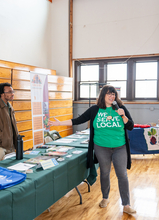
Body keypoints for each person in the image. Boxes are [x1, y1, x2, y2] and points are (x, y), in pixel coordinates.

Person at [49, 85, 136, 215]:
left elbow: (131, 126)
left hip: (120, 147)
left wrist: (124, 117)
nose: (112, 96)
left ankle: (126, 204)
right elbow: (78, 120)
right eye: (109, 94)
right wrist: (58, 123)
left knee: (122, 175)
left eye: (114, 94)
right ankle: (105, 198)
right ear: (103, 96)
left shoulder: (121, 109)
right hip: (101, 147)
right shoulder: (95, 110)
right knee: (105, 173)